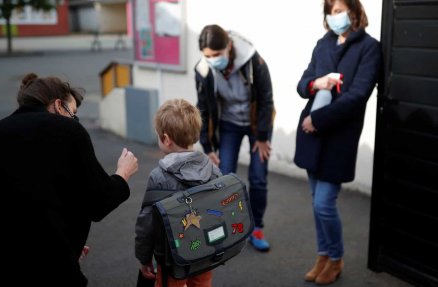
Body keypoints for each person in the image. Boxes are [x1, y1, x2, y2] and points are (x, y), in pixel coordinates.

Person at [0, 73, 139, 287]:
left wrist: (67, 247)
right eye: (73, 113)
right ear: (59, 106)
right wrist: (122, 174)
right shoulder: (67, 130)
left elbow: (29, 200)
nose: (74, 120)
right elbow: (99, 201)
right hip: (34, 268)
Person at [294, 0, 382, 285]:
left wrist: (318, 120)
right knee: (315, 201)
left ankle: (335, 258)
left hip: (337, 135)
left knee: (323, 204)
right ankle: (322, 255)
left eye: (340, 10)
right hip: (310, 134)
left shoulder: (369, 47)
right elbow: (302, 83)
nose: (336, 17)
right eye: (331, 12)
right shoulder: (323, 43)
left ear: (355, 12)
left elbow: (358, 96)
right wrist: (315, 84)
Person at [195, 24, 275, 252]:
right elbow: (203, 108)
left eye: (217, 55)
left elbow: (267, 99)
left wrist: (261, 136)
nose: (212, 60)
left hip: (256, 125)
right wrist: (208, 147)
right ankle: (231, 228)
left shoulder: (253, 61)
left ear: (229, 47)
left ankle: (257, 227)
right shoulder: (203, 70)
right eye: (208, 56)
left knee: (258, 179)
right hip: (229, 125)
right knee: (226, 179)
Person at [135, 99, 222, 287]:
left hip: (170, 257)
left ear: (166, 139)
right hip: (205, 251)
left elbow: (146, 224)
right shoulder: (213, 170)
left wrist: (144, 258)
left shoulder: (159, 177)